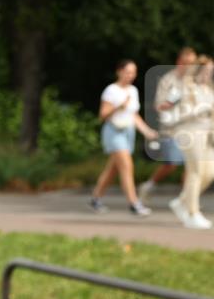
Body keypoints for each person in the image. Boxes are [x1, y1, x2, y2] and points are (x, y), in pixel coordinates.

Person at [89, 60, 159, 215]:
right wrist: (119, 106)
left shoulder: (133, 91)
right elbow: (103, 115)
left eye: (133, 72)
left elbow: (134, 116)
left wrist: (147, 131)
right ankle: (134, 203)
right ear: (119, 71)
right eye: (128, 72)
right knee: (127, 166)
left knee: (112, 170)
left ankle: (95, 199)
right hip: (114, 131)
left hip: (128, 132)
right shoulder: (111, 90)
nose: (131, 76)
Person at [139, 47, 197, 201]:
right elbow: (158, 106)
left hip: (190, 130)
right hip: (171, 130)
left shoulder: (194, 82)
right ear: (179, 62)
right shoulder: (168, 80)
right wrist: (171, 102)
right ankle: (149, 185)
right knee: (172, 164)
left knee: (191, 166)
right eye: (187, 63)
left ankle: (187, 200)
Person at [168, 55, 214, 229]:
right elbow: (180, 113)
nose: (209, 74)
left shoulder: (209, 90)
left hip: (206, 135)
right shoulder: (187, 88)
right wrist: (203, 110)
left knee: (209, 173)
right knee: (194, 171)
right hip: (189, 132)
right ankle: (192, 213)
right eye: (207, 70)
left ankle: (181, 202)